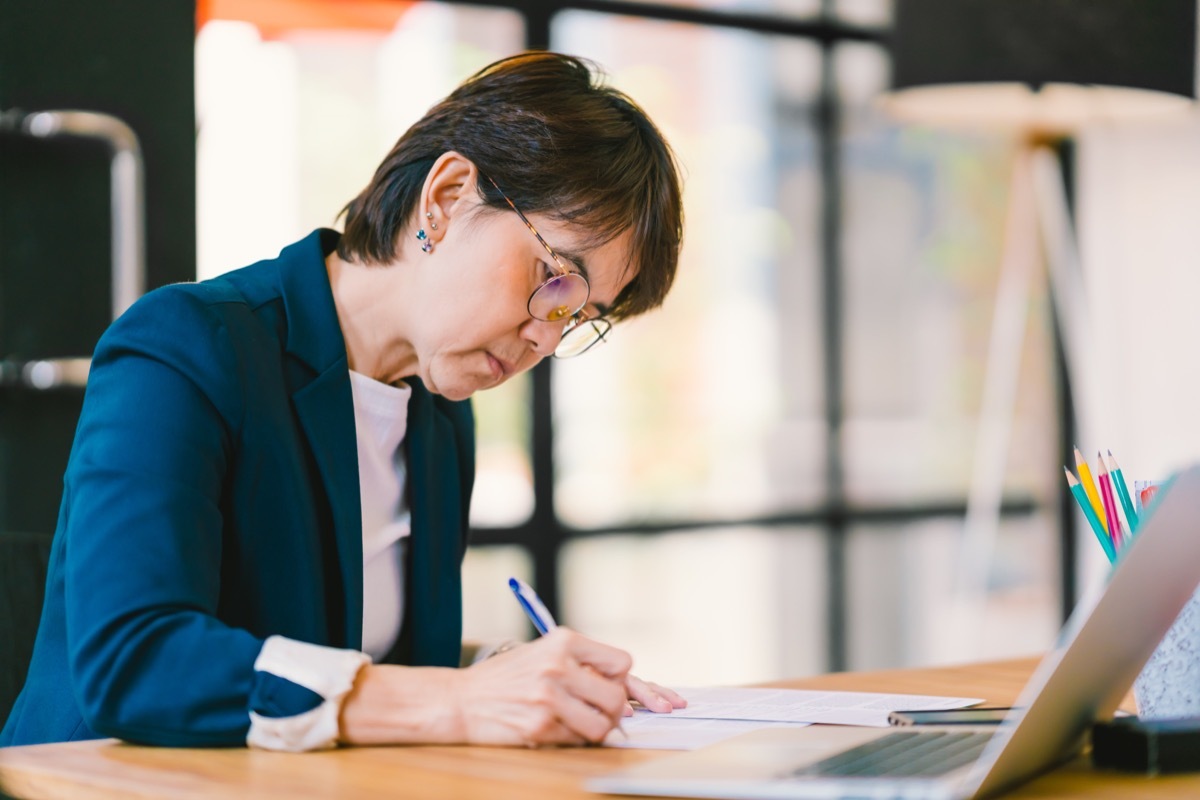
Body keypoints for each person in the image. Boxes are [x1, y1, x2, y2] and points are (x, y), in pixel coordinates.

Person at [0, 52, 686, 751]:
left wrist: (505, 674)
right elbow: (135, 660)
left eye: (579, 315)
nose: (545, 336)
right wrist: (456, 699)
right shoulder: (187, 345)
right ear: (446, 197)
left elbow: (355, 659)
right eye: (556, 278)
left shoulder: (441, 415)